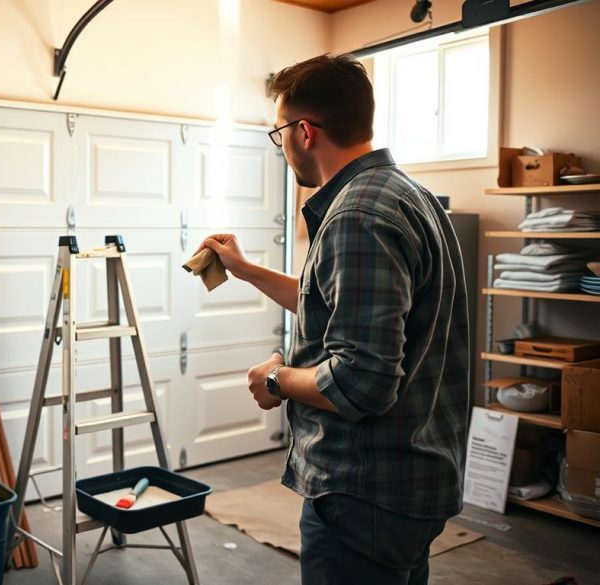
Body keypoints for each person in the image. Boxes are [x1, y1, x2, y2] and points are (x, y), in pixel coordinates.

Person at [199, 54, 469, 585]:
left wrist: (278, 378)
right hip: (411, 481)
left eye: (280, 133)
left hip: (362, 492)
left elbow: (362, 381)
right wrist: (248, 270)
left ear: (304, 131)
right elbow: (344, 307)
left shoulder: (357, 215)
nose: (283, 149)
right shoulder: (408, 196)